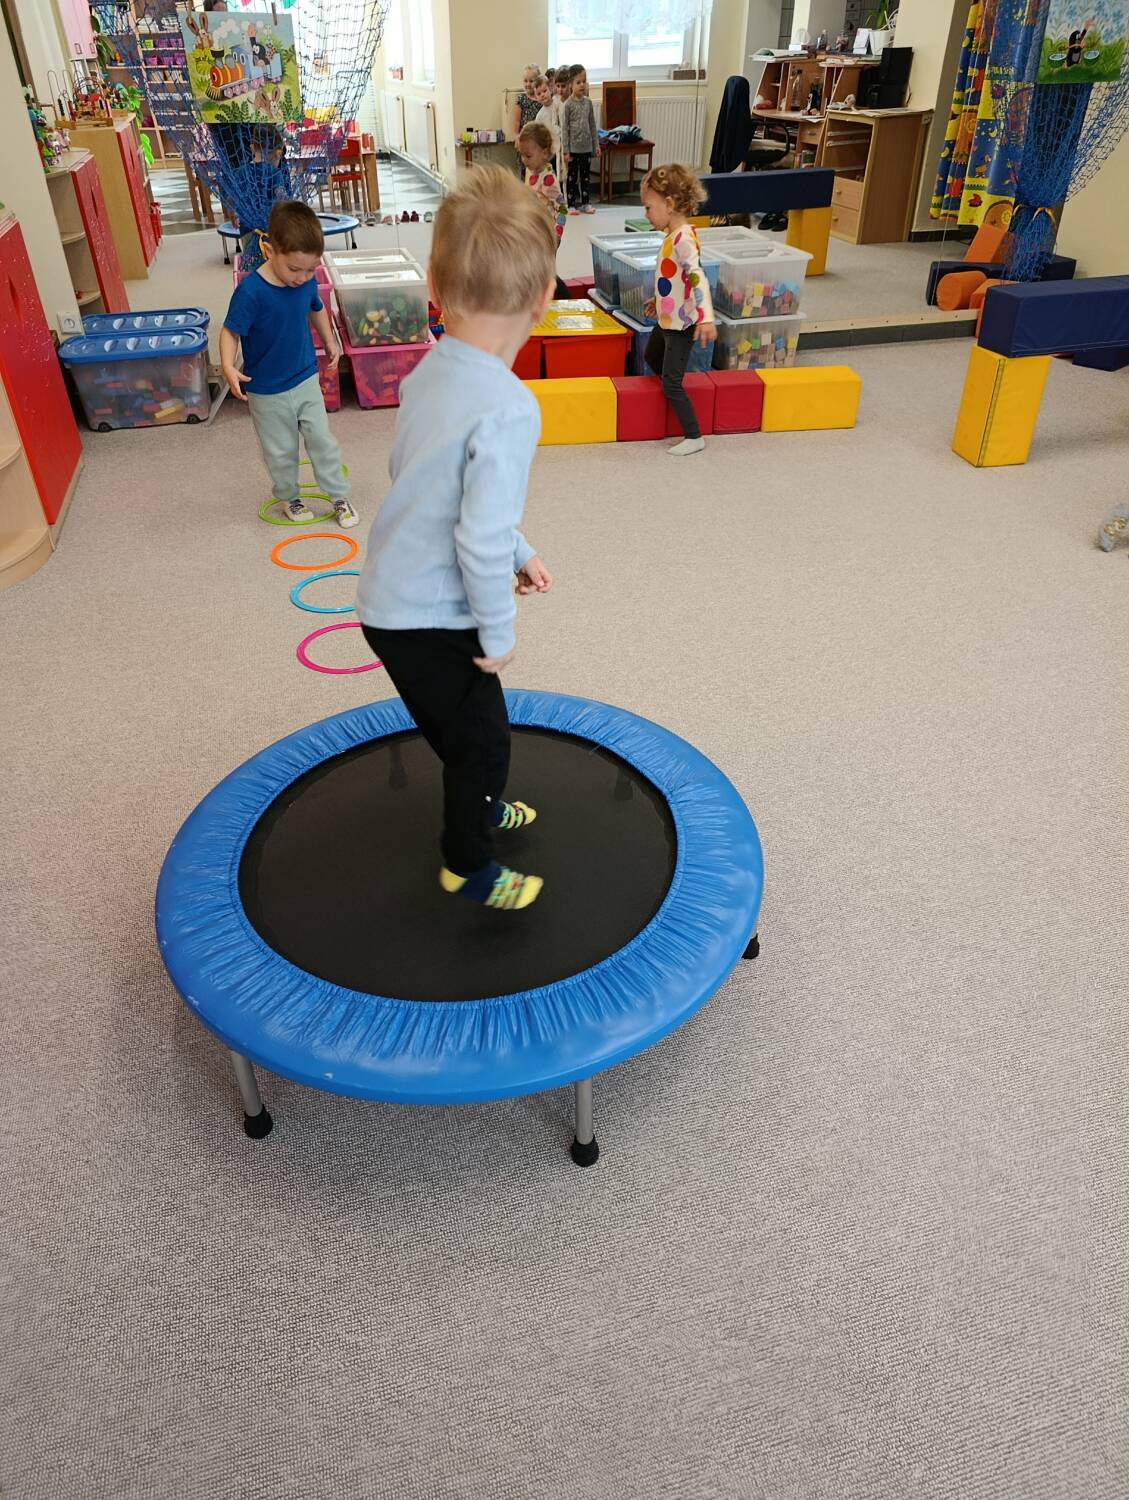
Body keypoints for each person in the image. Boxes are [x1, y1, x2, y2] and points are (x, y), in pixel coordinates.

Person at [355, 167, 557, 911]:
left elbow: (426, 480)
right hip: (430, 617)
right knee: (483, 740)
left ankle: (478, 802)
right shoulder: (510, 407)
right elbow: (477, 536)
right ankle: (467, 865)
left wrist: (520, 551)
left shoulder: (427, 370)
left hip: (387, 602)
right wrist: (498, 633)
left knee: (459, 729)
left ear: (433, 284)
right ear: (545, 296)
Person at [220, 200, 357, 527]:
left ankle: (338, 496)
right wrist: (228, 366)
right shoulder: (251, 292)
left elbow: (316, 307)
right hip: (267, 390)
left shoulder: (306, 281)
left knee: (322, 440)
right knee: (280, 451)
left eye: (310, 269)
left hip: (305, 377)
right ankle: (289, 497)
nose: (303, 277)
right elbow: (230, 331)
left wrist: (329, 340)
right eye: (294, 269)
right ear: (269, 250)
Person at [641, 163, 717, 457]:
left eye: (648, 207)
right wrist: (657, 300)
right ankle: (670, 394)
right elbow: (673, 278)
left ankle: (694, 436)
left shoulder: (684, 238)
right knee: (651, 356)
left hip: (682, 326)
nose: (646, 214)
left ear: (669, 204)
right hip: (666, 320)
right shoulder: (671, 236)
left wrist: (706, 318)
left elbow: (697, 277)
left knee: (671, 383)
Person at [518, 121, 568, 297]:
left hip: (547, 236)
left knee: (544, 273)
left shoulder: (548, 179)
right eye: (522, 155)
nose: (524, 160)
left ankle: (549, 298)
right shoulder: (532, 172)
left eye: (528, 156)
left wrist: (557, 234)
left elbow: (562, 208)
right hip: (533, 232)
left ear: (544, 153)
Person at [561, 65, 599, 214]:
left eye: (584, 81)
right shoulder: (567, 105)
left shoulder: (588, 103)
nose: (582, 85)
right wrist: (566, 150)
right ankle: (571, 205)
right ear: (571, 84)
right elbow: (564, 129)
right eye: (578, 82)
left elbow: (592, 125)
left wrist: (596, 145)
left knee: (585, 177)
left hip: (586, 148)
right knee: (572, 178)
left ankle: (585, 203)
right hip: (573, 149)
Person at [532, 74, 560, 160]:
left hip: (562, 142)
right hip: (550, 148)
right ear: (536, 97)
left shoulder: (558, 102)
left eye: (544, 91)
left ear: (550, 89)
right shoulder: (540, 116)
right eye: (539, 94)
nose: (542, 95)